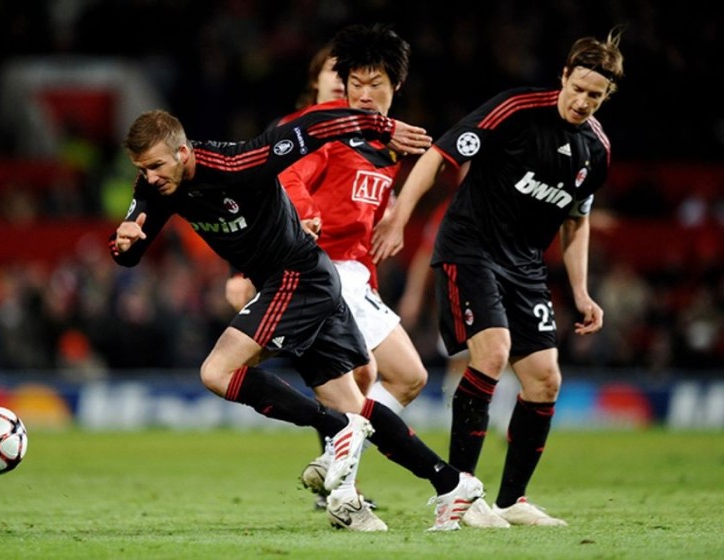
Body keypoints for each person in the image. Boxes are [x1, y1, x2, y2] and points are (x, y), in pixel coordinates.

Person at [110, 107, 484, 532]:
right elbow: (131, 246)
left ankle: (336, 429)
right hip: (302, 282)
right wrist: (124, 245)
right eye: (143, 169)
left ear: (182, 151)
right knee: (354, 405)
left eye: (157, 165)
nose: (150, 177)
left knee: (218, 371)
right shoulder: (156, 185)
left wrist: (383, 126)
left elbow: (313, 128)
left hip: (299, 278)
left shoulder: (238, 162)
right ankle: (452, 485)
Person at [371, 29, 625, 528]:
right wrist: (400, 217)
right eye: (577, 89)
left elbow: (576, 220)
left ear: (606, 97)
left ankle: (512, 500)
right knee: (491, 354)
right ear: (564, 77)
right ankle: (459, 496)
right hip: (471, 248)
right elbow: (440, 156)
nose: (582, 102)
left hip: (525, 265)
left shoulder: (596, 150)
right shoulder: (515, 109)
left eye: (595, 96)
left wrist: (580, 290)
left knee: (545, 380)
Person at [270, 23, 430, 529]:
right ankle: (344, 475)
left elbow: (367, 209)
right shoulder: (328, 131)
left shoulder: (390, 145)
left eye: (374, 84)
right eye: (354, 83)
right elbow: (285, 174)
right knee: (404, 376)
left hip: (356, 274)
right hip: (325, 271)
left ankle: (339, 468)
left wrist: (394, 221)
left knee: (373, 380)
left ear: (395, 86)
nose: (362, 94)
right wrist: (305, 212)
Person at [225, 42, 345, 310]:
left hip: (346, 270)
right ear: (315, 79)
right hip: (290, 264)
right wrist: (238, 271)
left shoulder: (366, 142)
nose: (340, 80)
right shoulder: (287, 129)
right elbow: (250, 192)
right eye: (332, 70)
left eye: (348, 73)